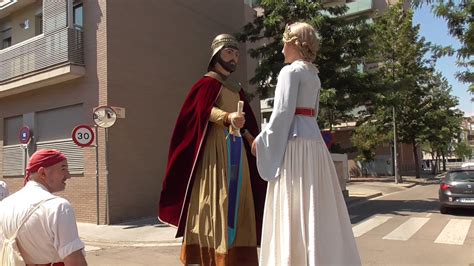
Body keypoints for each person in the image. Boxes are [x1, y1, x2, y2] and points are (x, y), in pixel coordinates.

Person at [253, 22, 361, 266]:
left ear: (294, 43)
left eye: (284, 42)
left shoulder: (290, 72)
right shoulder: (313, 74)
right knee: (316, 203)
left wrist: (262, 141)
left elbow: (282, 113)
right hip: (314, 143)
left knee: (293, 204)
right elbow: (312, 111)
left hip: (294, 144)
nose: (281, 49)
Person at [158, 34, 267, 265]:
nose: (234, 58)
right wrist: (226, 116)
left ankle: (239, 255)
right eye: (229, 52)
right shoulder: (206, 84)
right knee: (218, 199)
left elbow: (245, 120)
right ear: (216, 54)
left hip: (237, 147)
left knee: (240, 201)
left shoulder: (236, 89)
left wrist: (249, 137)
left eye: (237, 54)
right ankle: (214, 255)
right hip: (216, 150)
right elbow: (200, 112)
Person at [0, 149, 87, 266]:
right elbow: (75, 262)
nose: (68, 175)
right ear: (42, 173)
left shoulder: (5, 204)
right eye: (63, 169)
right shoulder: (58, 207)